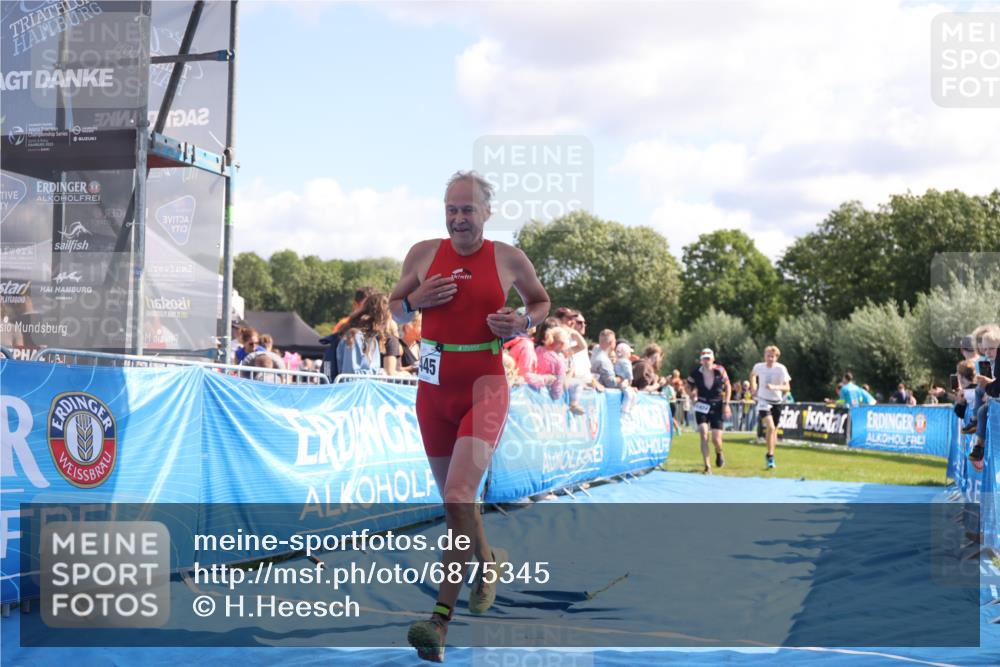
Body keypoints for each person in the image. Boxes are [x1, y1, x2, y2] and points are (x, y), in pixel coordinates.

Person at [389, 170, 550, 662]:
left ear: (486, 212)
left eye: (468, 209)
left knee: (460, 496)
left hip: (484, 387)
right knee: (456, 503)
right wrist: (415, 301)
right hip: (433, 391)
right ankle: (487, 563)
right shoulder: (422, 253)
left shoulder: (507, 257)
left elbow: (540, 302)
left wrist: (522, 322)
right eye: (452, 210)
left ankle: (438, 622)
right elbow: (395, 308)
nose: (459, 218)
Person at [686, 348, 732, 473]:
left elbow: (728, 386)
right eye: (704, 358)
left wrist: (726, 404)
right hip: (702, 404)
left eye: (708, 358)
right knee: (703, 432)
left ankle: (719, 452)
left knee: (716, 439)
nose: (706, 361)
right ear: (701, 360)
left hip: (717, 404)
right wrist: (692, 395)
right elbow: (688, 385)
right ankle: (707, 466)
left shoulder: (720, 370)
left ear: (713, 359)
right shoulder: (696, 373)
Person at [750, 345, 792, 470]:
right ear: (764, 356)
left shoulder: (781, 369)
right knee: (771, 426)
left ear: (776, 358)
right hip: (763, 400)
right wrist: (753, 388)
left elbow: (787, 388)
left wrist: (775, 387)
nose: (770, 359)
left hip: (777, 401)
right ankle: (770, 456)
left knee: (774, 431)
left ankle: (770, 454)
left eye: (772, 357)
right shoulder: (759, 367)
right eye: (768, 356)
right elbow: (752, 375)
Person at [336, 293, 390, 375]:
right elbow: (350, 375)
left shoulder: (373, 340)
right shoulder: (355, 336)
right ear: (382, 317)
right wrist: (377, 374)